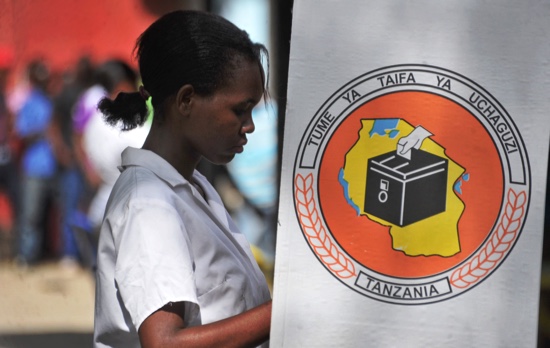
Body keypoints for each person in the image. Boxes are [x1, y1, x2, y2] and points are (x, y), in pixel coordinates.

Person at [93, 10, 272, 348]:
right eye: (239, 109)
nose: (249, 125)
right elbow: (164, 343)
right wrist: (285, 312)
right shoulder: (148, 203)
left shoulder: (195, 189)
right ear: (187, 100)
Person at [14, 59, 56, 265]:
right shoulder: (29, 103)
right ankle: (25, 256)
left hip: (52, 168)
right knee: (30, 215)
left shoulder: (51, 101)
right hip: (34, 167)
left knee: (47, 215)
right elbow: (22, 134)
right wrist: (44, 131)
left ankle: (42, 253)